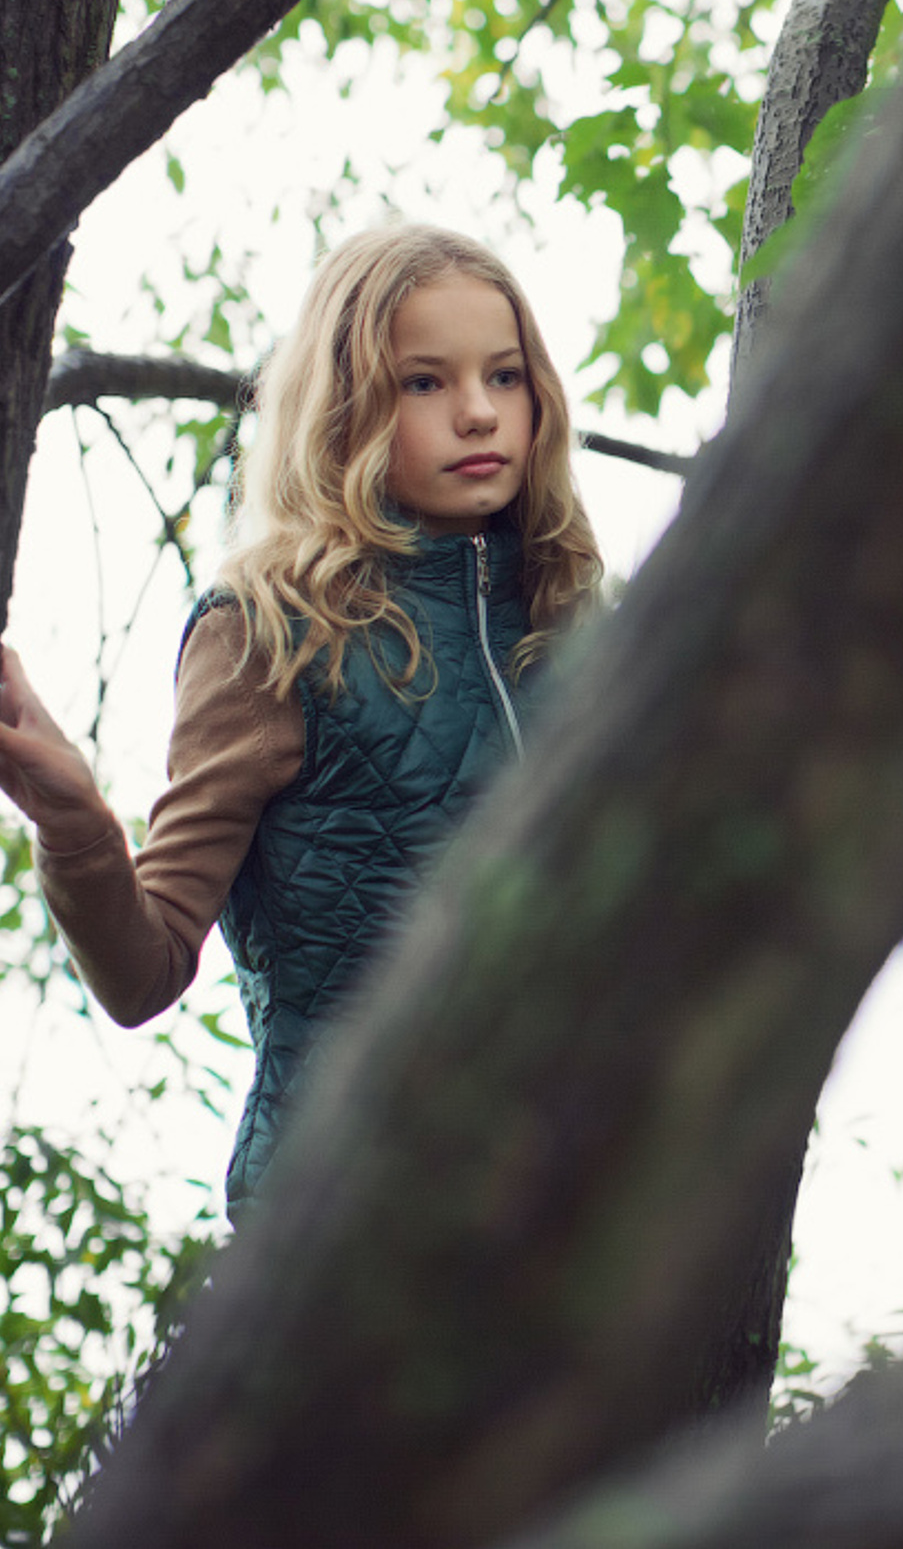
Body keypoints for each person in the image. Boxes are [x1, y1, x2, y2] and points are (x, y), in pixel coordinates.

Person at [0, 223, 602, 1218]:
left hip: (589, 1234)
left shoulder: (576, 628)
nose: (476, 413)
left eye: (504, 376)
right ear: (347, 406)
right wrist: (75, 826)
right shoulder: (268, 633)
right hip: (348, 1231)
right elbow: (143, 973)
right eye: (423, 382)